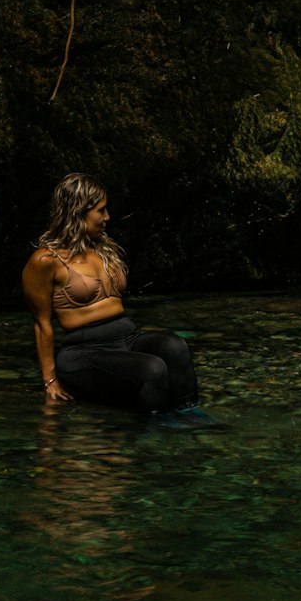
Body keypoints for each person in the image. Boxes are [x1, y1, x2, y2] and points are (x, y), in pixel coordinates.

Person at [22, 172, 208, 420]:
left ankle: (192, 416)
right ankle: (160, 433)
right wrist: (50, 379)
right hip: (84, 352)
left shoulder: (103, 248)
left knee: (175, 347)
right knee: (152, 369)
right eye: (101, 210)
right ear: (78, 211)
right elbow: (41, 324)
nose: (107, 217)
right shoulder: (46, 261)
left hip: (126, 339)